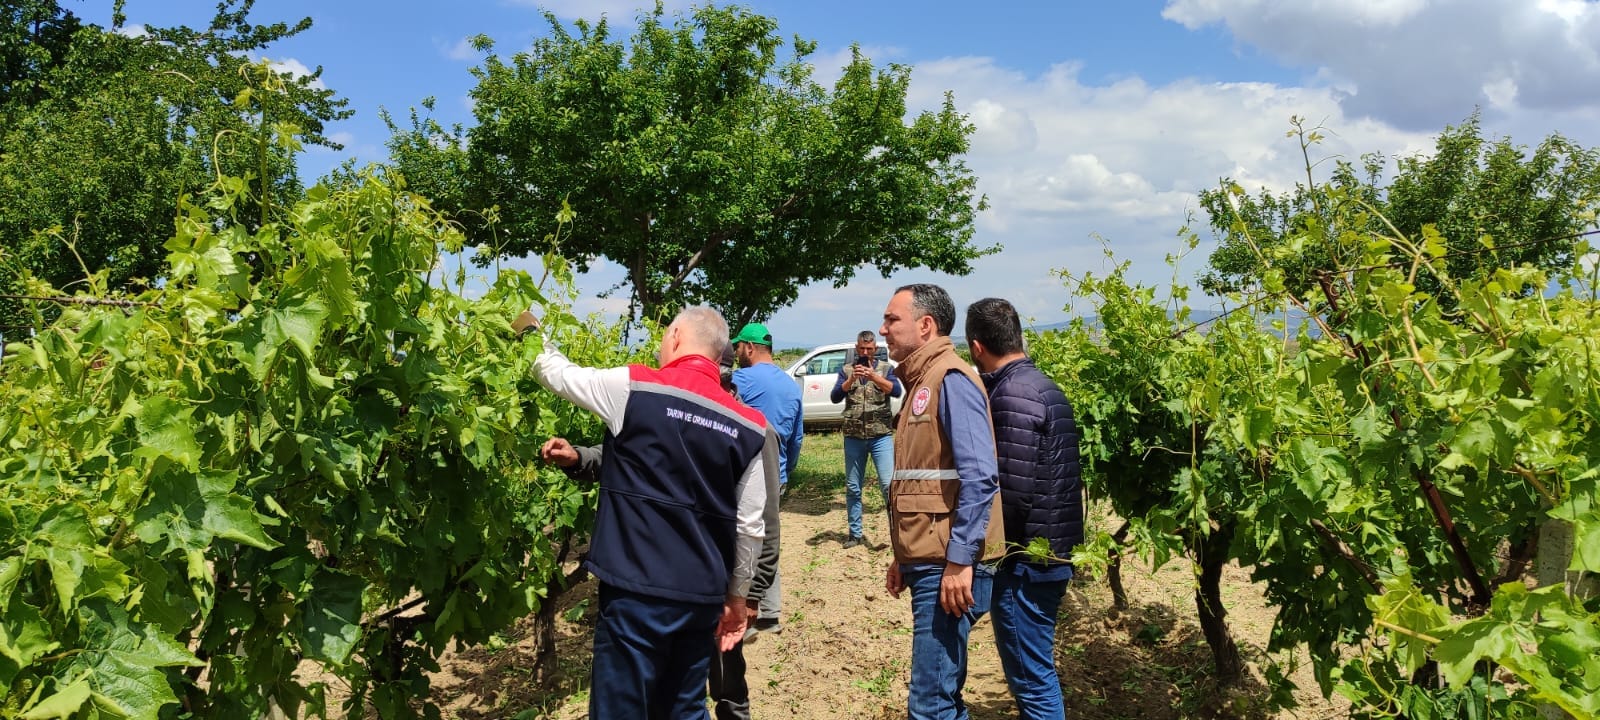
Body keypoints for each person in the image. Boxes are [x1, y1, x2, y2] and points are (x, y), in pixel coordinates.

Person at [514, 306, 768, 720]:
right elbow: (749, 525)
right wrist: (737, 597)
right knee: (684, 708)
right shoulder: (750, 426)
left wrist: (529, 330)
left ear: (675, 336)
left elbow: (556, 372)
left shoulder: (634, 387)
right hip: (701, 596)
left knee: (621, 708)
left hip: (635, 592)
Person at [878, 283, 1006, 720]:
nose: (884, 329)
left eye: (892, 319)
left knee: (930, 703)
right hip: (930, 560)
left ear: (926, 325)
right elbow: (925, 482)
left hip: (948, 566)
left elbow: (980, 477)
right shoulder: (921, 382)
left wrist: (959, 561)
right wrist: (903, 556)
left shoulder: (949, 379)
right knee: (940, 698)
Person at [965, 298, 1083, 720]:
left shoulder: (1011, 394)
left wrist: (980, 554)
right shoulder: (1042, 385)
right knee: (1034, 670)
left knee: (1031, 678)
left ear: (977, 347)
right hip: (1051, 551)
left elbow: (1012, 491)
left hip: (1027, 563)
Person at [730, 321, 802, 638]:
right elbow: (797, 438)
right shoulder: (790, 385)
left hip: (748, 474)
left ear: (749, 347)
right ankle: (770, 613)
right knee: (769, 538)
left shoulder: (740, 379)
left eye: (737, 347)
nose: (735, 354)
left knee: (746, 540)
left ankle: (744, 615)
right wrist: (786, 471)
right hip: (780, 471)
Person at [830, 329, 901, 548]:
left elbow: (896, 391)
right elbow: (835, 397)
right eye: (862, 348)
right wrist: (851, 379)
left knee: (888, 486)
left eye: (869, 349)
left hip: (881, 436)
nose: (865, 352)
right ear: (856, 348)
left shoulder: (886, 369)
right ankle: (855, 533)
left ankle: (897, 535)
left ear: (876, 349)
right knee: (853, 487)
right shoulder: (846, 370)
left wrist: (875, 377)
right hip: (854, 436)